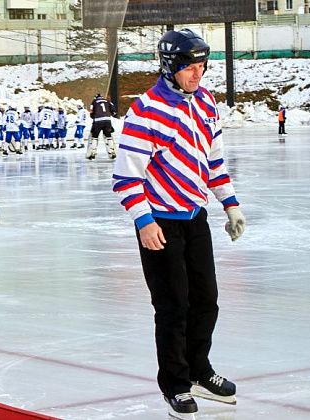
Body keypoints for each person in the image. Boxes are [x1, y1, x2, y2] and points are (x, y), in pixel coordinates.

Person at [112, 29, 246, 420]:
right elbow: (126, 177)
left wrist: (231, 205)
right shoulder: (146, 109)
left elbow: (214, 163)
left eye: (203, 66)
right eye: (190, 67)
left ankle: (199, 370)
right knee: (173, 307)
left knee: (206, 300)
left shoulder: (205, 103)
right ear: (171, 67)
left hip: (194, 217)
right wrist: (144, 220)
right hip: (160, 223)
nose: (198, 74)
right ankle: (176, 385)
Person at [87, 93, 116, 159]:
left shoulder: (94, 102)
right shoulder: (107, 101)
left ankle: (93, 153)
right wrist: (112, 114)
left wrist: (93, 117)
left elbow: (91, 111)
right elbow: (113, 110)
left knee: (95, 137)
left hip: (98, 121)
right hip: (107, 121)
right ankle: (112, 152)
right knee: (108, 136)